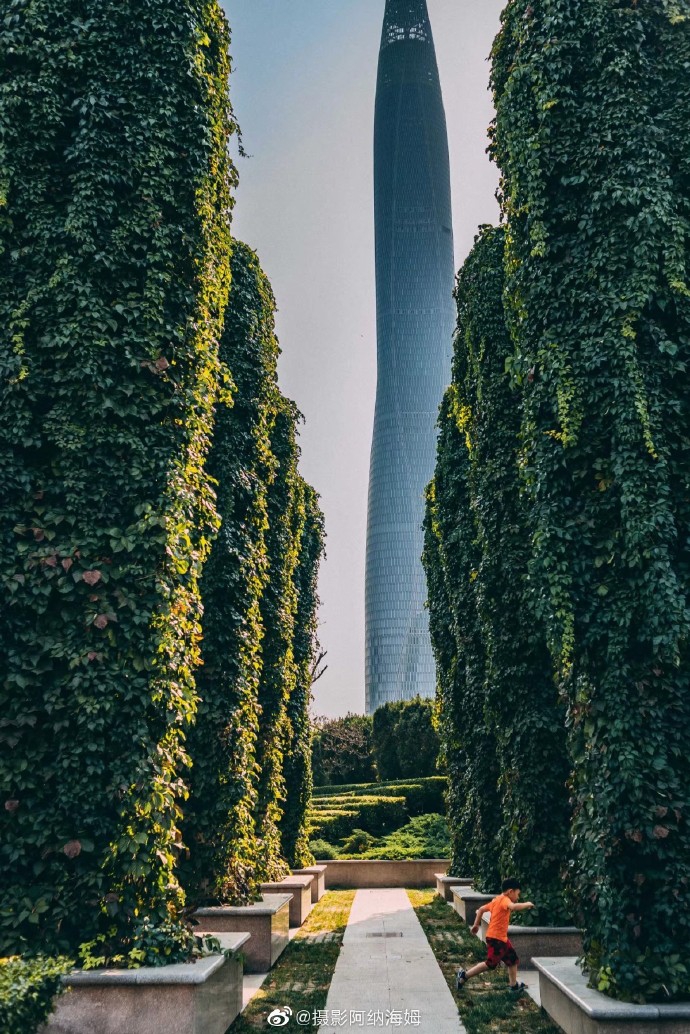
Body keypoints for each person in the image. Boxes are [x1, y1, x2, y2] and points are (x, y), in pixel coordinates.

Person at [455, 877, 534, 993]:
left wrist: (476, 925)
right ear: (510, 891)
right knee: (490, 964)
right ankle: (464, 976)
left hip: (501, 939)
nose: (518, 898)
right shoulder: (505, 900)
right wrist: (527, 904)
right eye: (517, 894)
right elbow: (513, 907)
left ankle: (513, 986)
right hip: (496, 940)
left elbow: (481, 909)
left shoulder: (496, 900)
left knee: (512, 960)